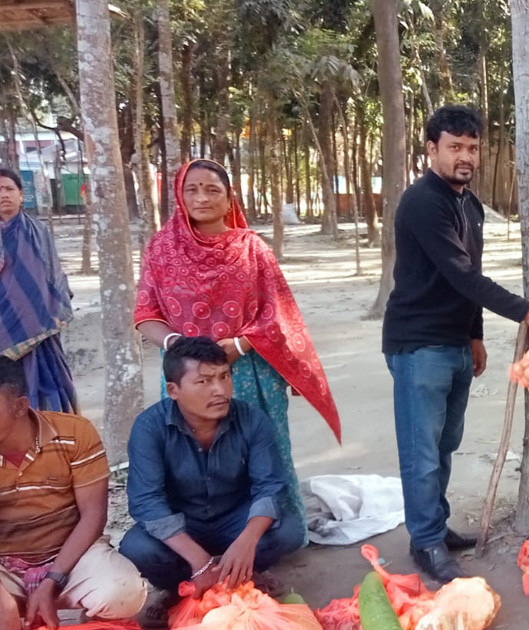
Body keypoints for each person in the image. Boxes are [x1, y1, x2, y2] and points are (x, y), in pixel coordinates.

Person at [383, 105, 529, 582]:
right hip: (418, 345)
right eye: (455, 147)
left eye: (473, 148)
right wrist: (528, 312)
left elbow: (469, 278)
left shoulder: (470, 205)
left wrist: (475, 335)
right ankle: (424, 543)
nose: (465, 156)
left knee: (444, 446)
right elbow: (461, 275)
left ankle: (434, 528)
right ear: (431, 150)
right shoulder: (423, 201)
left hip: (455, 343)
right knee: (421, 451)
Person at [134, 159, 341, 524]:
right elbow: (146, 313)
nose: (202, 197)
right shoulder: (160, 249)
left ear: (230, 200)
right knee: (192, 455)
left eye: (213, 190)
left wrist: (241, 345)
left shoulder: (252, 249)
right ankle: (193, 535)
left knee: (259, 453)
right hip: (187, 374)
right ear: (179, 197)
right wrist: (175, 345)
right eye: (192, 189)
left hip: (249, 372)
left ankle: (272, 530)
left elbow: (279, 312)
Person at [119, 337, 305, 625]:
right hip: (183, 524)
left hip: (235, 518)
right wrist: (198, 558)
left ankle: (244, 574)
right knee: (137, 547)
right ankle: (177, 589)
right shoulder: (149, 427)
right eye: (203, 382)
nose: (219, 390)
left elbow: (269, 486)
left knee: (290, 530)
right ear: (173, 390)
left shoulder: (251, 420)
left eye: (224, 376)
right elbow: (146, 501)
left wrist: (247, 541)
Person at [0, 357, 147, 630]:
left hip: (71, 558)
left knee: (124, 592)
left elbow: (93, 515)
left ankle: (89, 620)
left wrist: (52, 578)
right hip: (5, 567)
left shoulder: (75, 432)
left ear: (20, 406)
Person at [0, 167, 76, 413]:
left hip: (40, 330)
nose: (4, 195)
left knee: (44, 392)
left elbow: (52, 278)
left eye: (9, 189)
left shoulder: (38, 232)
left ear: (21, 195)